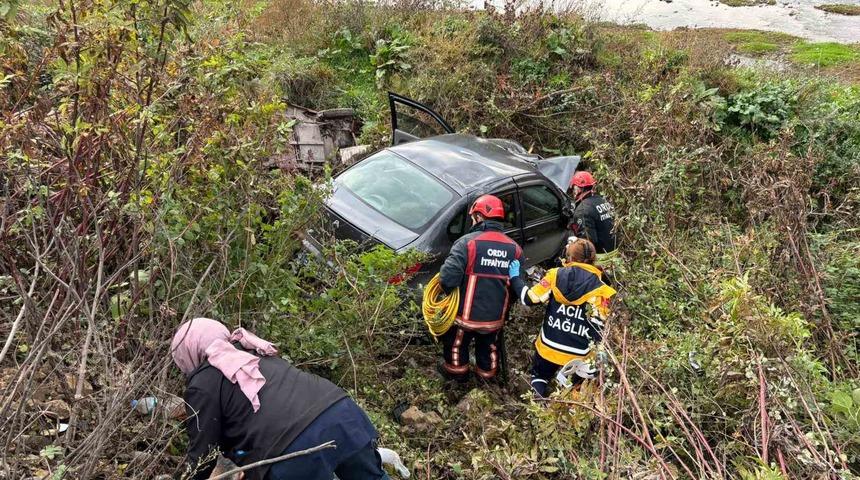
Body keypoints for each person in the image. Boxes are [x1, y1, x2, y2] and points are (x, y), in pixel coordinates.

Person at [170, 318, 390, 480]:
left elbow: (203, 455)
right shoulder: (254, 349)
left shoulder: (202, 383)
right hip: (343, 415)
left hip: (293, 448)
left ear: (188, 353)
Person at [508, 238, 616, 397]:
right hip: (579, 356)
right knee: (575, 388)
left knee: (539, 375)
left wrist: (516, 278)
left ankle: (538, 397)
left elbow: (529, 299)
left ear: (569, 258)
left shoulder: (554, 275)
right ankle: (570, 398)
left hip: (549, 347)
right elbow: (599, 328)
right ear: (594, 260)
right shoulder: (603, 291)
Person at [437, 194, 523, 382]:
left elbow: (448, 279)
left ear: (479, 216)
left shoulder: (466, 243)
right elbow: (517, 287)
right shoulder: (515, 249)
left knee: (456, 346)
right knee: (489, 349)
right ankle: (486, 379)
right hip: (494, 321)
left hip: (464, 318)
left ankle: (457, 379)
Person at [568, 171, 616, 255]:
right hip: (614, 252)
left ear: (577, 188)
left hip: (600, 257)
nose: (572, 191)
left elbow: (587, 243)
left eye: (573, 188)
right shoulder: (602, 200)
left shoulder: (582, 210)